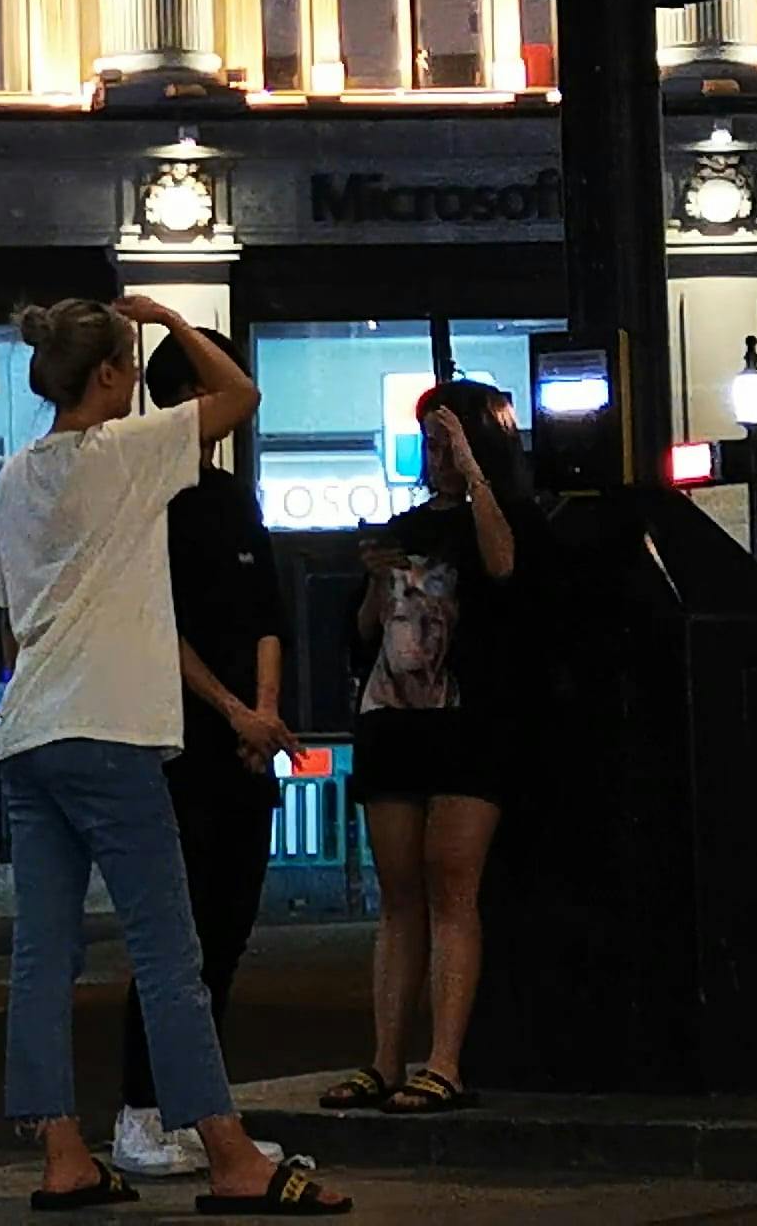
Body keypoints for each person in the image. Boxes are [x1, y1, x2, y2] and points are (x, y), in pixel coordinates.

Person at [0, 295, 349, 1217]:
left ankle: (63, 1155)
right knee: (166, 949)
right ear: (110, 376)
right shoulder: (130, 452)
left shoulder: (13, 477)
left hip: (32, 733)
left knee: (44, 955)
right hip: (111, 729)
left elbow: (14, 613)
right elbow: (241, 393)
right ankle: (229, 1155)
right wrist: (165, 317)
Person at [108, 328, 297, 1183]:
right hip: (174, 746)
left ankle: (200, 1113)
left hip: (243, 752)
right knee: (172, 939)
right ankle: (142, 1110)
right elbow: (158, 627)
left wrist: (263, 714)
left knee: (226, 934)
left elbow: (266, 613)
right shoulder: (146, 495)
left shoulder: (232, 497)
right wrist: (230, 711)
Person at [317, 377, 526, 1118]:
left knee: (451, 886)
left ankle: (443, 1060)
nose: (435, 458)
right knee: (399, 892)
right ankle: (385, 1059)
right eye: (431, 445)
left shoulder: (503, 519)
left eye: (448, 444)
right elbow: (362, 638)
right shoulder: (403, 528)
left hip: (468, 723)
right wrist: (376, 588)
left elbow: (503, 567)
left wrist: (475, 478)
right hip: (396, 719)